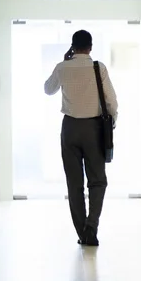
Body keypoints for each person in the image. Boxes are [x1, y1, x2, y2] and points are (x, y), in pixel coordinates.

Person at [44, 30, 118, 246]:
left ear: (72, 47)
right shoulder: (99, 68)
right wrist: (112, 122)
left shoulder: (62, 67)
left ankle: (82, 233)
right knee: (97, 181)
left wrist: (65, 61)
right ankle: (91, 227)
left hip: (69, 129)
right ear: (91, 47)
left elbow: (48, 89)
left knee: (74, 183)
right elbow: (111, 101)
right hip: (94, 129)